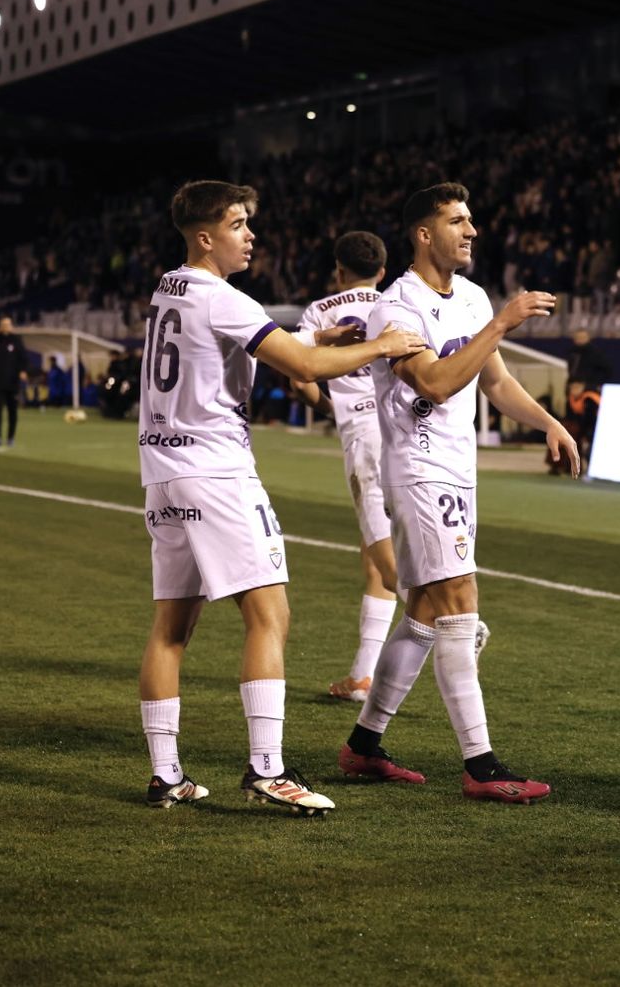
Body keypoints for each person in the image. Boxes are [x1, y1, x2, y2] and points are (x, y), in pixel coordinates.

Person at [135, 180, 425, 813]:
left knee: (170, 627)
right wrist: (380, 345)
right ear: (205, 237)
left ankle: (166, 774)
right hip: (217, 470)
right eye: (238, 224)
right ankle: (267, 771)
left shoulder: (166, 287)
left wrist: (315, 340)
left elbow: (245, 349)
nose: (251, 234)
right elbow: (303, 369)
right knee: (270, 615)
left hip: (161, 471)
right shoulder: (224, 298)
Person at [337, 182, 580, 803]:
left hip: (456, 470)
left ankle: (363, 747)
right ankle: (481, 765)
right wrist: (503, 321)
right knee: (458, 599)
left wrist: (549, 422)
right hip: (419, 470)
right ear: (424, 234)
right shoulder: (398, 307)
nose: (471, 231)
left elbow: (493, 382)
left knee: (423, 610)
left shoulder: (470, 296)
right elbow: (438, 383)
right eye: (457, 220)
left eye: (471, 220)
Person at [293, 231, 493, 706]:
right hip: (404, 424)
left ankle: (458, 622)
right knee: (374, 555)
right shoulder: (396, 301)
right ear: (381, 269)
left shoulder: (320, 311)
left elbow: (302, 375)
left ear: (338, 271)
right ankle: (363, 673)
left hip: (366, 438)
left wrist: (330, 406)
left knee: (388, 563)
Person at [0, 315, 28, 446]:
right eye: (3, 324)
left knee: (12, 411)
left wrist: (23, 371)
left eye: (7, 324)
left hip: (13, 383)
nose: (5, 327)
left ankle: (10, 437)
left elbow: (23, 358)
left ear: (11, 326)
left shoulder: (17, 340)